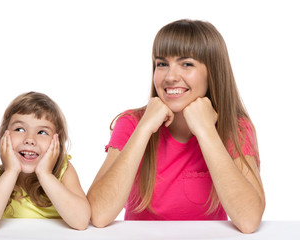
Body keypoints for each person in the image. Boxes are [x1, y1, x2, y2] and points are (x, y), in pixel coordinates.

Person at [87, 19, 265, 233]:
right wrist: (144, 129)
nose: (170, 77)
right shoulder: (132, 123)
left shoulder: (235, 128)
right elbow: (97, 214)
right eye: (162, 64)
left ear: (213, 72)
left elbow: (249, 220)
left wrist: (206, 131)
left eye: (186, 64)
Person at [0, 92, 90, 233]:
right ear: (4, 136)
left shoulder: (63, 171)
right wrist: (11, 171)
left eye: (42, 132)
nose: (30, 139)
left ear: (57, 142)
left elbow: (81, 221)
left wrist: (45, 174)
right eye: (20, 129)